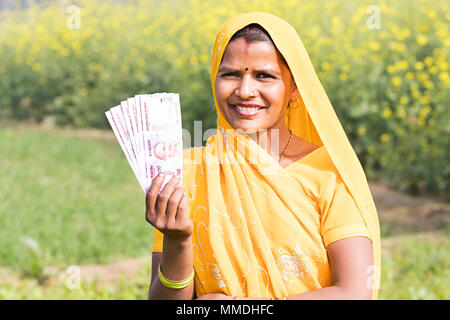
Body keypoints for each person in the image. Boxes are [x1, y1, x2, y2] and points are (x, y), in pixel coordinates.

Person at [146, 12, 381, 300]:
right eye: (231, 74)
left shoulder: (329, 174)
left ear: (294, 88)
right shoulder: (186, 172)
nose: (245, 91)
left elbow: (356, 292)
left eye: (264, 76)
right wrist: (178, 241)